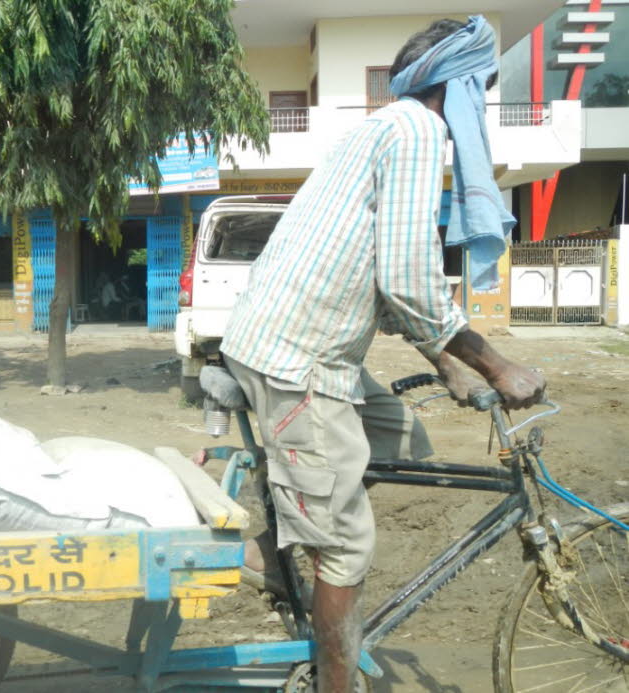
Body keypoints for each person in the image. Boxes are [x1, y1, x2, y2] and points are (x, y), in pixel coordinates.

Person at [219, 17, 546, 692]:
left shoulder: (383, 127)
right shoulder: (418, 131)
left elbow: (384, 275)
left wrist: (445, 361)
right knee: (346, 548)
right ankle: (333, 677)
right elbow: (407, 277)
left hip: (293, 344)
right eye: (479, 90)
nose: (478, 108)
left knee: (398, 434)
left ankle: (278, 542)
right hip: (300, 360)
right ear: (456, 89)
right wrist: (495, 365)